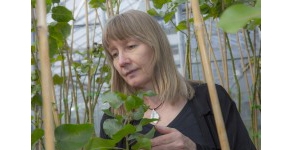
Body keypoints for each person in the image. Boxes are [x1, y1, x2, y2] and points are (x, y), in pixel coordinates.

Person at [100, 9, 256, 150]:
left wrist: (194, 148)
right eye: (114, 54)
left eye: (131, 46)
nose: (121, 61)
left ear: (156, 45)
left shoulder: (210, 99)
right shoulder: (115, 120)